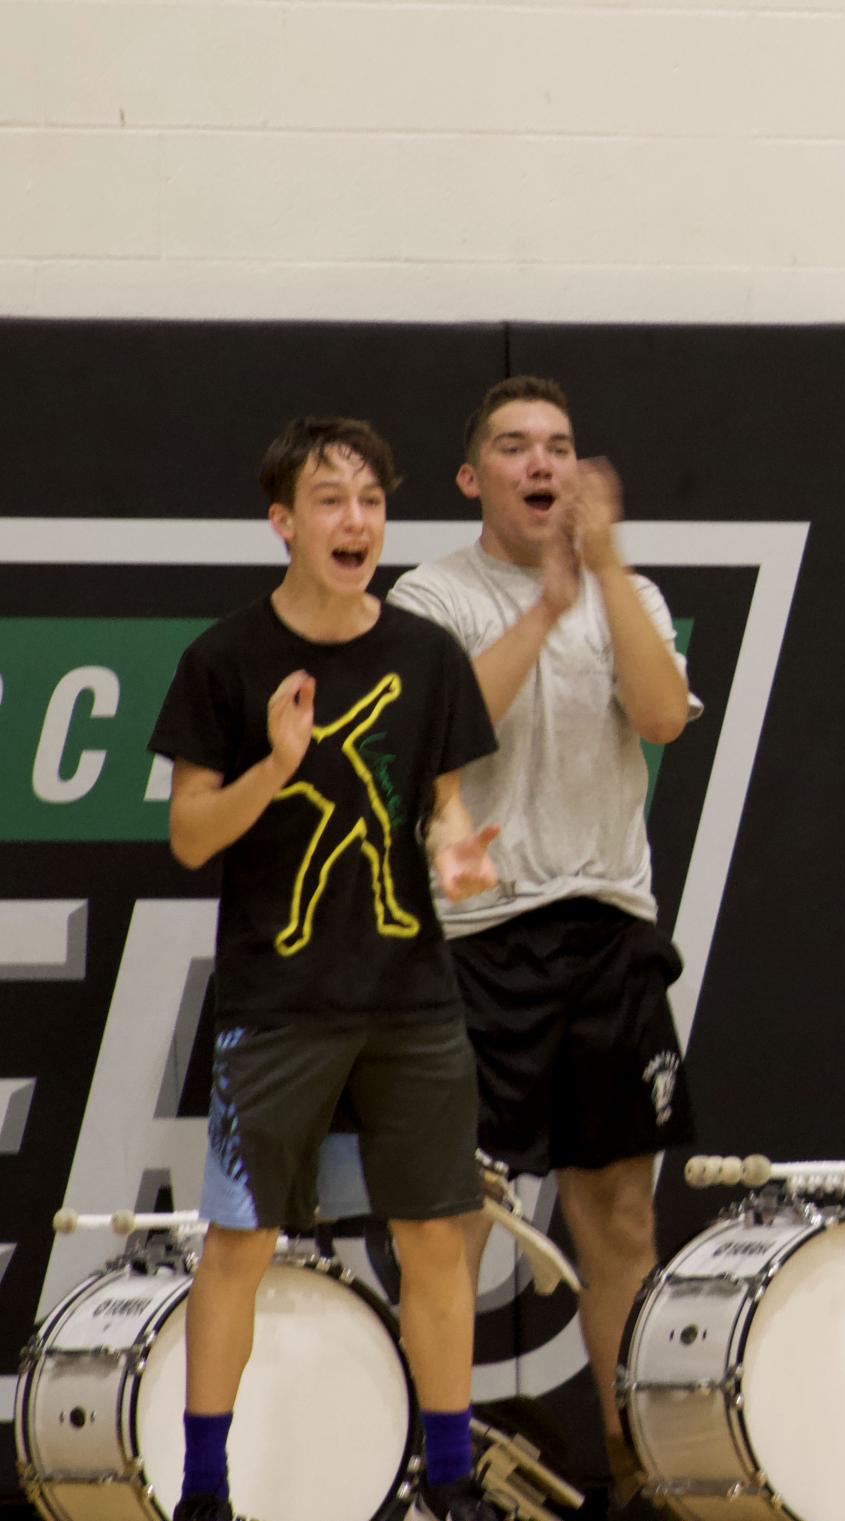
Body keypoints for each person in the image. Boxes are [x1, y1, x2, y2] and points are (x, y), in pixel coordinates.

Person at [150, 417, 503, 1521]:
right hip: (279, 1003)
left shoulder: (425, 655)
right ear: (283, 523)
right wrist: (278, 767)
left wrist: (454, 856)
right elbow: (193, 836)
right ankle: (205, 1493)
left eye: (371, 501)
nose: (357, 521)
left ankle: (449, 1483)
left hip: (412, 997)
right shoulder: (224, 659)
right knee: (241, 1244)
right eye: (332, 501)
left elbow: (444, 810)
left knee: (439, 1237)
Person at [387, 375, 698, 1518]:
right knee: (454, 1217)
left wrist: (602, 576)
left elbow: (662, 718)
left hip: (609, 928)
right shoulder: (430, 595)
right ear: (474, 479)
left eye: (560, 447)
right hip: (476, 938)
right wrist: (543, 602)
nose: (542, 463)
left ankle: (638, 1473)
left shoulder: (634, 592)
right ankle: (446, 1475)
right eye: (515, 447)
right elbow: (442, 730)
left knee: (618, 1216)